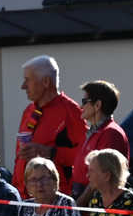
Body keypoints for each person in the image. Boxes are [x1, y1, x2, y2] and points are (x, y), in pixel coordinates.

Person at [16, 56, 88, 193]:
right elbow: (19, 157)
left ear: (46, 82)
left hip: (55, 196)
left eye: (27, 80)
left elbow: (85, 156)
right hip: (25, 197)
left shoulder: (70, 111)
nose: (23, 86)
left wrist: (50, 152)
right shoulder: (29, 111)